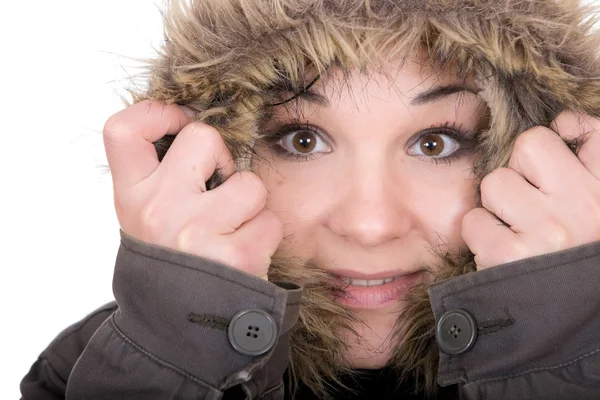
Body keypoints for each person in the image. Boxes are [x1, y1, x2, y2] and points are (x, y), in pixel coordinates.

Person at [20, 0, 600, 398]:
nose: (369, 225)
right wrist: (173, 356)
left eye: (434, 142)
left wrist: (558, 350)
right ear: (211, 154)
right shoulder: (94, 368)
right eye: (303, 140)